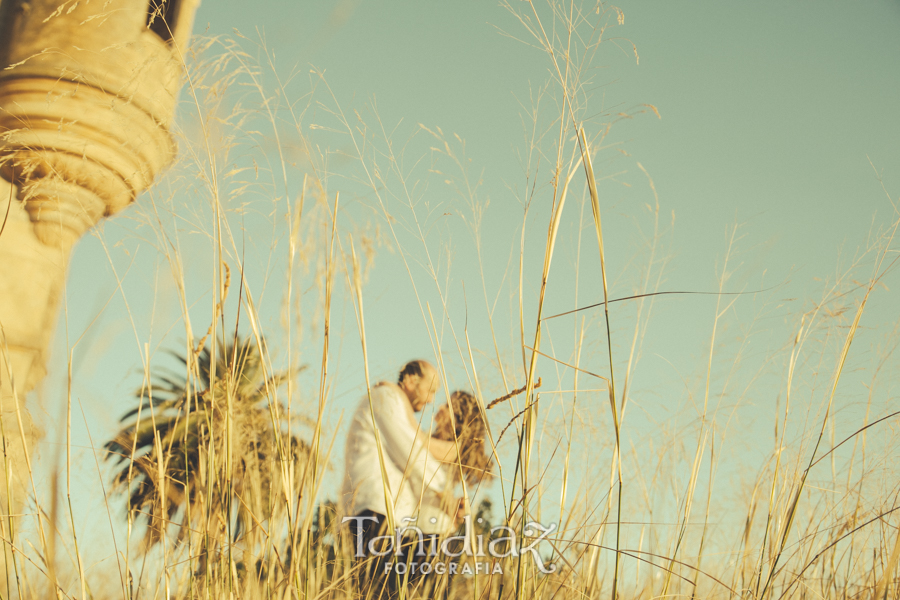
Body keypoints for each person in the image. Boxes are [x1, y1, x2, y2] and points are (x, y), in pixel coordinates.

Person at [341, 360, 459, 599]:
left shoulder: (393, 402)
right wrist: (442, 491)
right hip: (373, 510)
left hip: (388, 515)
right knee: (377, 591)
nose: (430, 401)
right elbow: (410, 450)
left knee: (387, 592)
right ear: (412, 381)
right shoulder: (386, 397)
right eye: (431, 390)